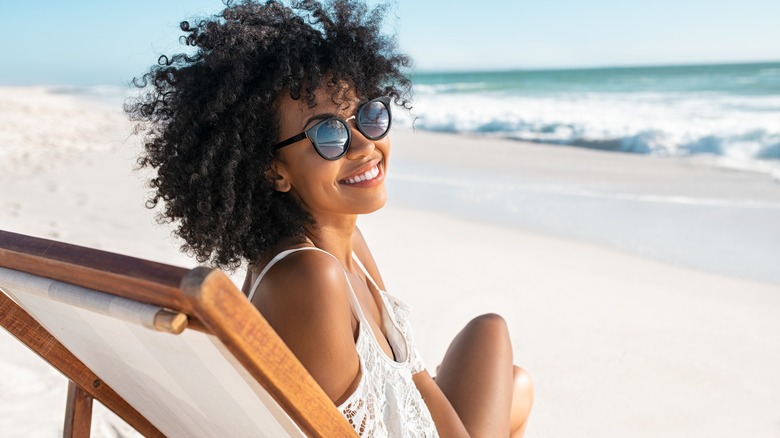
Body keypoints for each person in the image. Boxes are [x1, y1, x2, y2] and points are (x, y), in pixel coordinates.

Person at [126, 0, 533, 436]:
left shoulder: (346, 243)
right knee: (512, 384)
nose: (363, 145)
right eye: (328, 132)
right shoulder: (309, 275)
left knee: (500, 352)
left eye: (368, 115)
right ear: (274, 169)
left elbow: (413, 376)